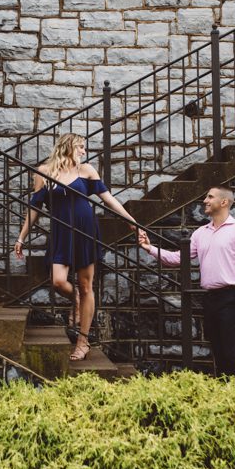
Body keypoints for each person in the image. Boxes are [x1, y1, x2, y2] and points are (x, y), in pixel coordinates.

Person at [15, 133, 142, 361]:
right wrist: (21, 237)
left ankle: (83, 342)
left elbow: (108, 199)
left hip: (85, 231)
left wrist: (131, 221)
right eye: (81, 147)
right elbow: (34, 209)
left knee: (86, 286)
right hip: (61, 231)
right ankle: (74, 301)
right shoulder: (44, 172)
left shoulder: (86, 171)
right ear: (68, 147)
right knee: (57, 280)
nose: (84, 152)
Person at [138, 185, 235, 377]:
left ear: (224, 202)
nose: (205, 201)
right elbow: (178, 258)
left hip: (233, 298)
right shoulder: (200, 233)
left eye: (210, 197)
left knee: (231, 353)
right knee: (219, 354)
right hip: (210, 299)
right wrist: (149, 248)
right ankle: (226, 398)